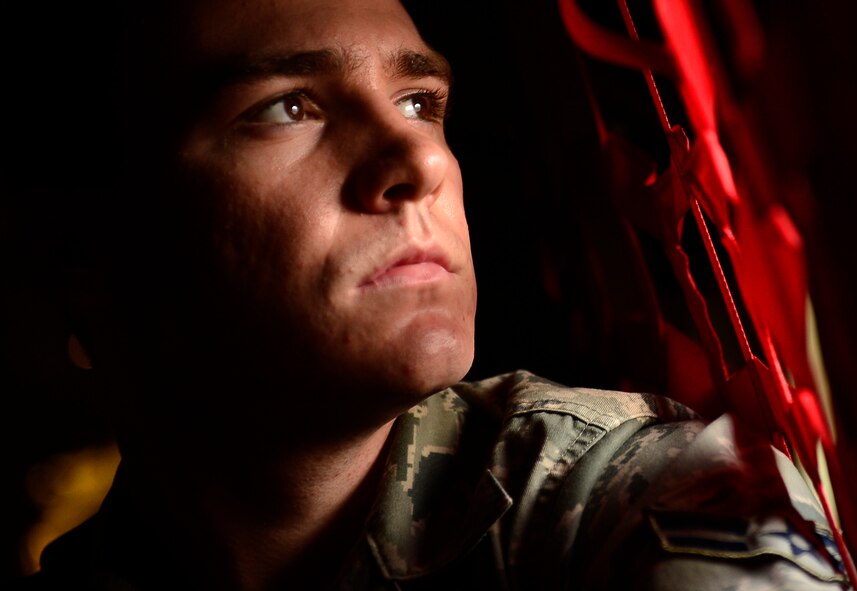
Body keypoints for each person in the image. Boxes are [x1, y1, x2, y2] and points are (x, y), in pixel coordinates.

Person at [14, 0, 850, 589]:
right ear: (87, 249)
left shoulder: (638, 497)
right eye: (285, 108)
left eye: (420, 103)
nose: (420, 163)